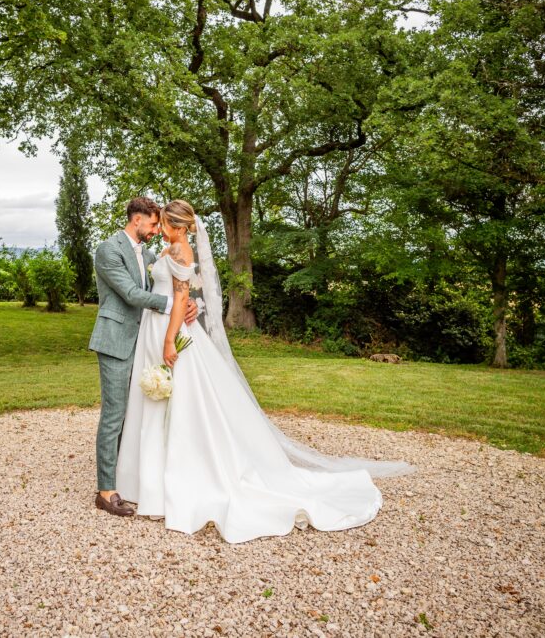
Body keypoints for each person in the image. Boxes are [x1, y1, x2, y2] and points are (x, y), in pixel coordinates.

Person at [114, 199, 415, 543]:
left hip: (170, 331)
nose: (160, 229)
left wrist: (170, 340)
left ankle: (177, 479)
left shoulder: (181, 251)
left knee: (181, 404)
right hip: (156, 328)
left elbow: (182, 298)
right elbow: (175, 290)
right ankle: (150, 480)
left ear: (179, 227)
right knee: (159, 404)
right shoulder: (169, 251)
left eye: (165, 224)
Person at [88, 197, 200, 516]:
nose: (155, 230)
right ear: (137, 220)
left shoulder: (150, 253)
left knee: (137, 411)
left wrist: (188, 304)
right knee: (114, 412)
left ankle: (131, 476)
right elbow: (131, 294)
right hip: (115, 339)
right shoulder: (108, 250)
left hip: (143, 341)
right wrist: (174, 304)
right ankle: (106, 491)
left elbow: (172, 284)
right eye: (152, 224)